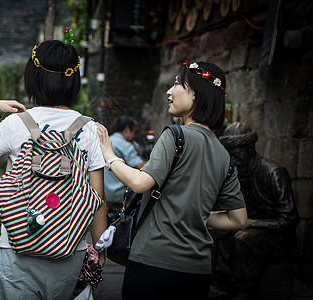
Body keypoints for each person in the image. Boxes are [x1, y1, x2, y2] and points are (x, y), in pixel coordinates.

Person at [96, 61, 248, 299]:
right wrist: (193, 213)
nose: (169, 91)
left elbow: (139, 182)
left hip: (154, 263)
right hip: (197, 271)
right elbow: (238, 219)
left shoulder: (176, 136)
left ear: (196, 95)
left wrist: (109, 155)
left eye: (177, 84)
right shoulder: (223, 154)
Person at [0, 40, 108, 299]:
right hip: (70, 247)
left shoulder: (15, 124)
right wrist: (99, 249)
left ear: (33, 77)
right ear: (73, 80)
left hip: (17, 245)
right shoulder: (90, 129)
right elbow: (97, 199)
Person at [214, 122, 299, 294]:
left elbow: (289, 220)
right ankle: (221, 283)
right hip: (247, 226)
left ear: (250, 149)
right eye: (231, 156)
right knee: (217, 230)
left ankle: (244, 287)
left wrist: (251, 223)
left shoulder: (273, 174)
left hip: (276, 237)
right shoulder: (237, 173)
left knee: (242, 238)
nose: (234, 160)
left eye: (237, 155)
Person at [104, 115, 146, 212]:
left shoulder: (106, 142)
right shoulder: (124, 145)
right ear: (127, 129)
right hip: (119, 195)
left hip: (104, 193)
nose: (134, 136)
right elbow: (140, 165)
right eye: (134, 131)